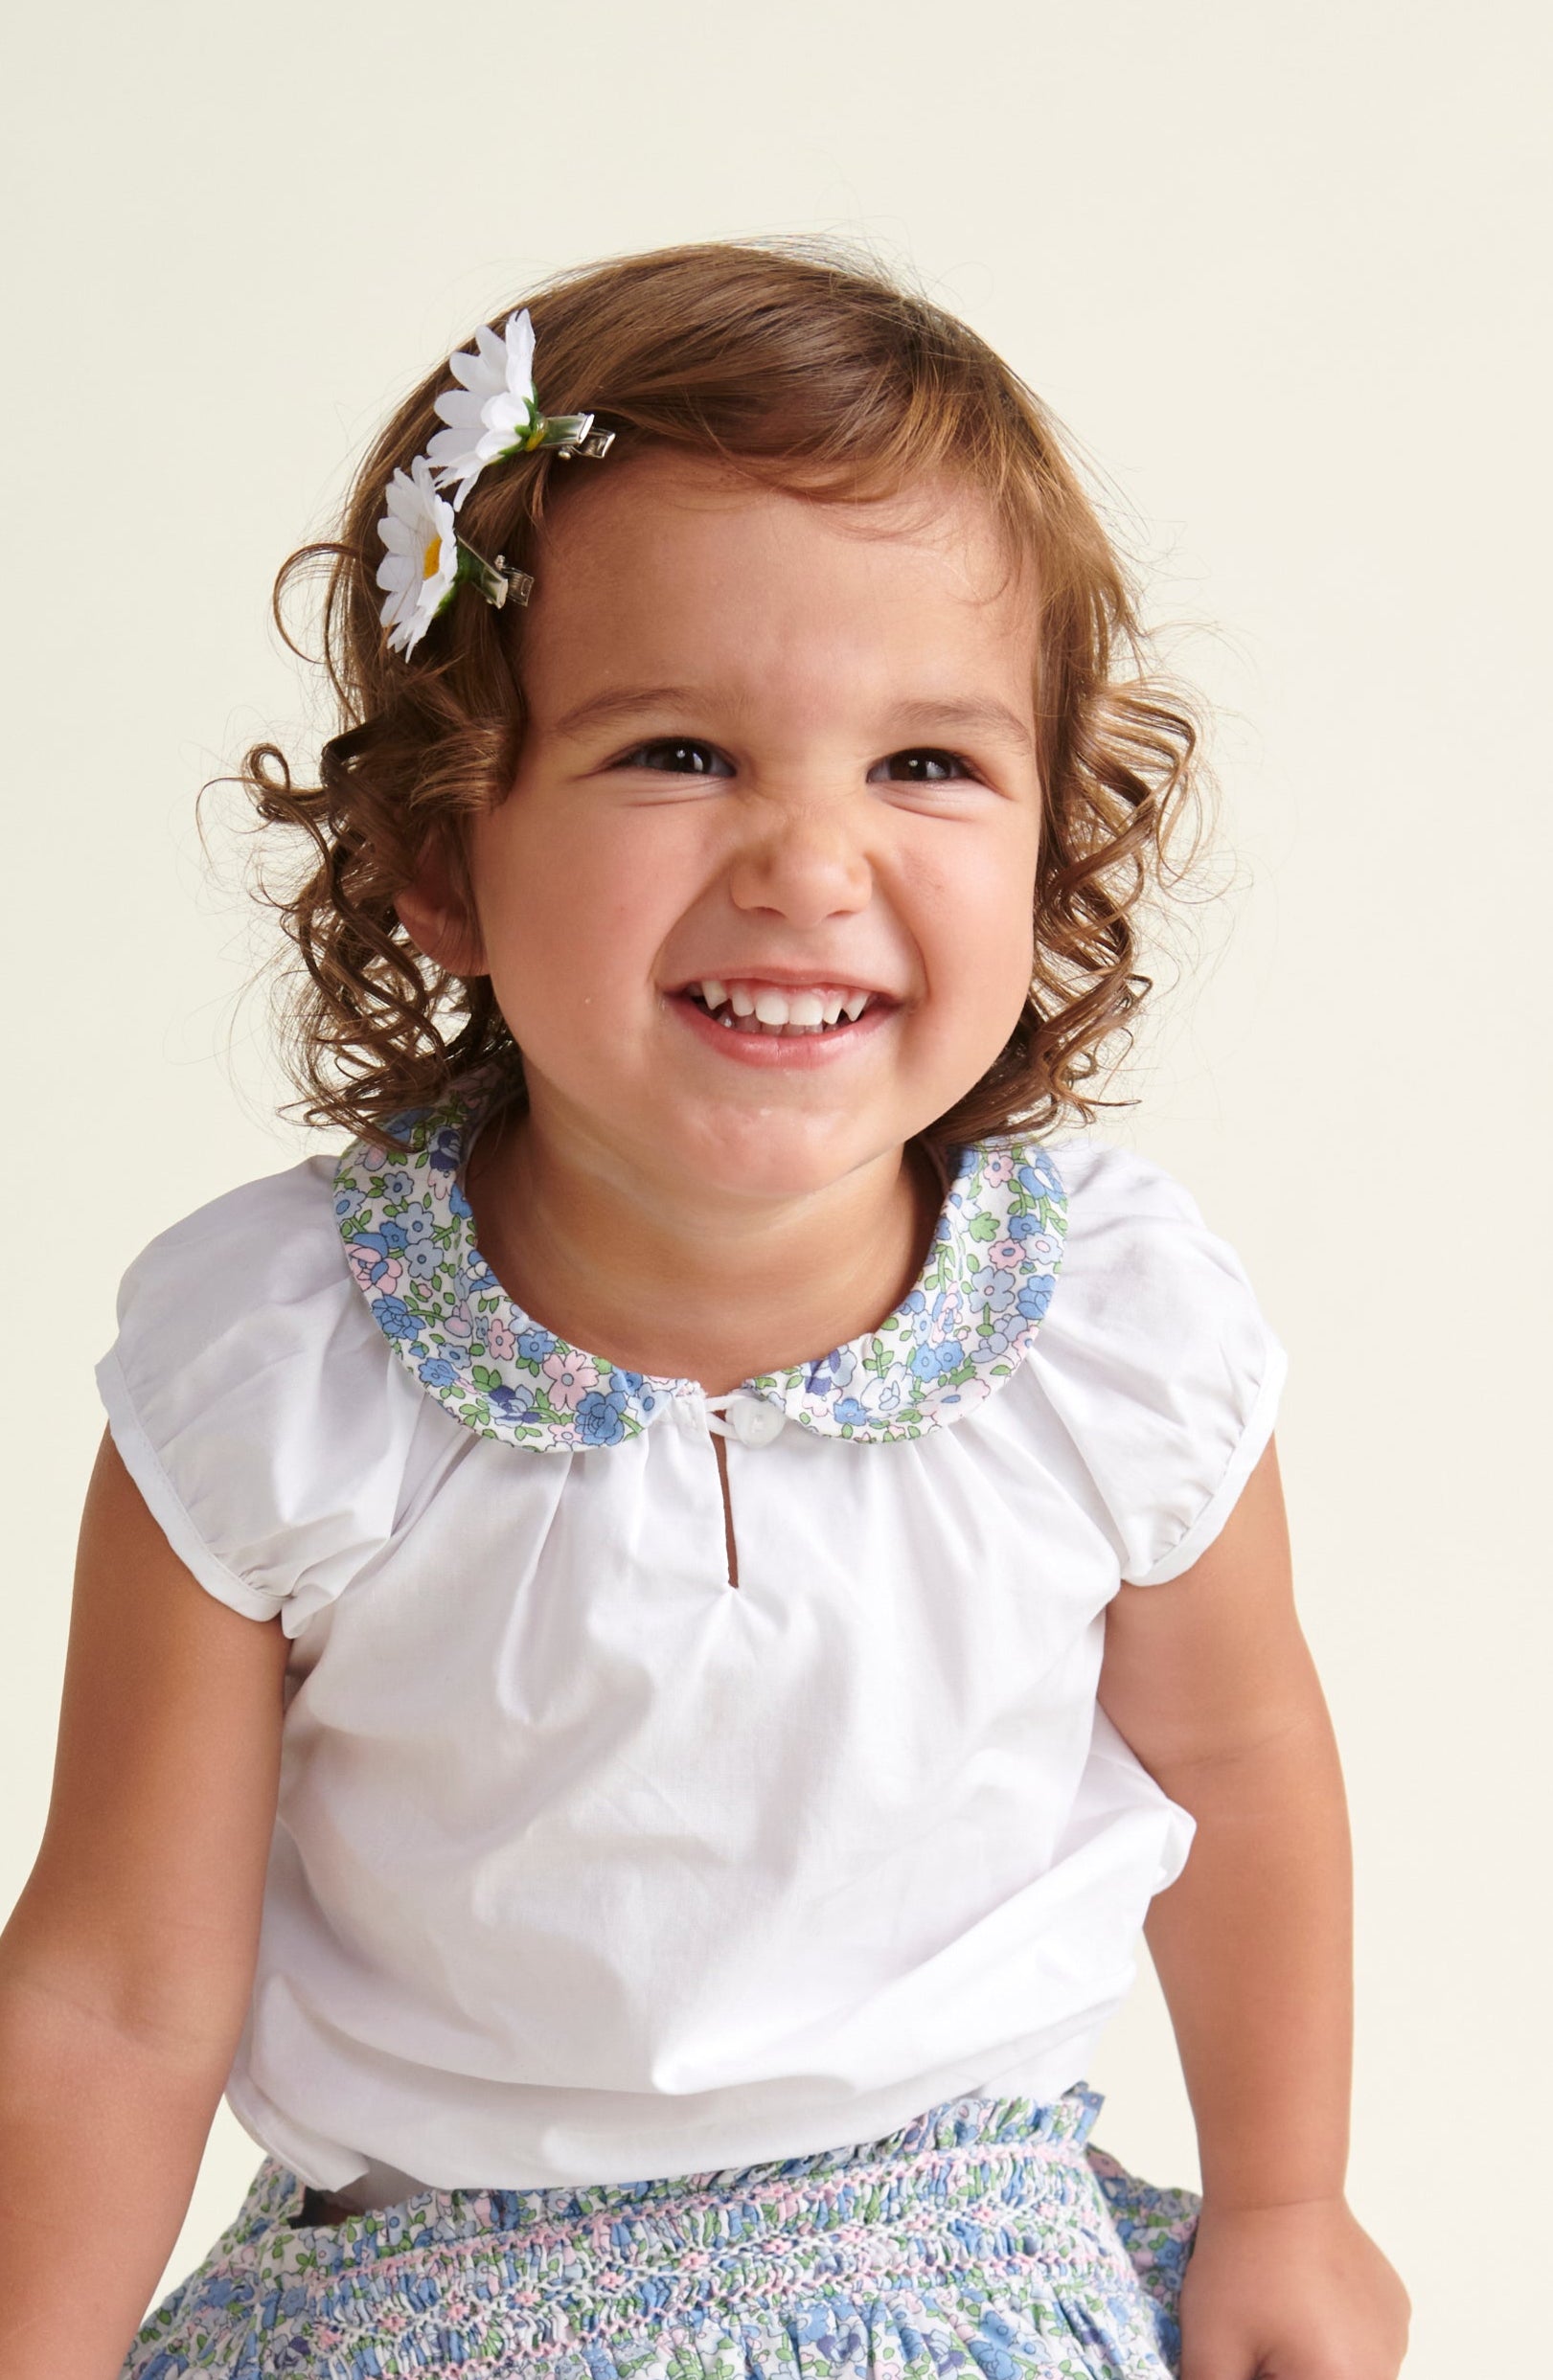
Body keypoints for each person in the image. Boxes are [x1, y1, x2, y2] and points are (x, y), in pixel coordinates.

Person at [0, 239, 1410, 2380]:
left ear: (1053, 838)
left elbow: (1240, 1759)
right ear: (442, 857)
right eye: (678, 750)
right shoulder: (278, 1375)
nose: (809, 863)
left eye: (925, 765)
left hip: (970, 2293)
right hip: (427, 2320)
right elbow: (113, 1989)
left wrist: (1288, 2201)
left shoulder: (1110, 1337)